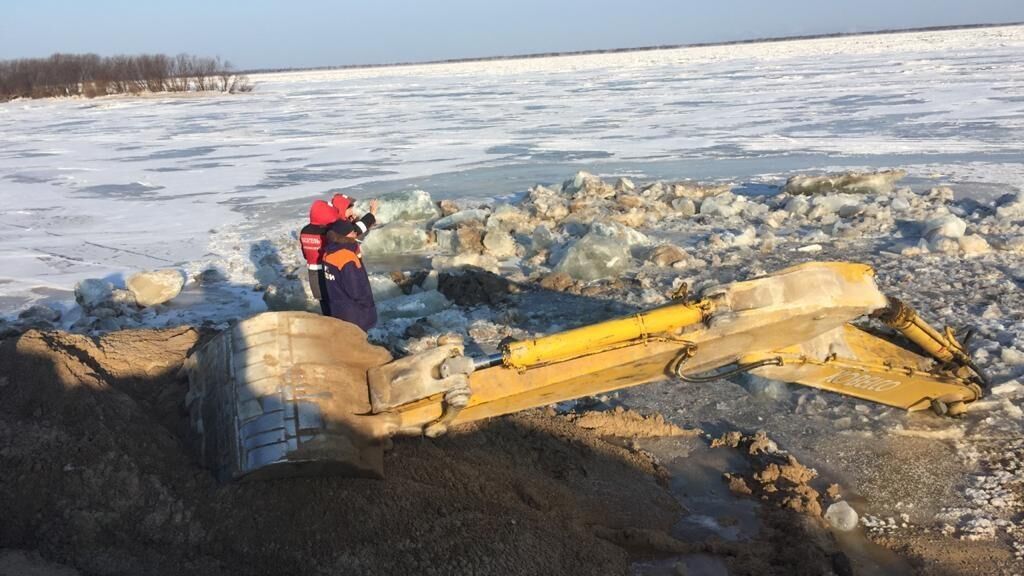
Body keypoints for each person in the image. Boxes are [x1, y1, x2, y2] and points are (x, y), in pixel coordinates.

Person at [322, 219, 377, 331]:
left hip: (337, 308)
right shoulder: (347, 257)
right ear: (344, 235)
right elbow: (356, 288)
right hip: (355, 313)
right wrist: (367, 304)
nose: (355, 234)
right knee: (358, 340)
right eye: (352, 232)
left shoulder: (327, 254)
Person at [299, 200, 340, 315]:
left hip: (313, 272)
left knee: (324, 303)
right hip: (328, 272)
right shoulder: (327, 231)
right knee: (336, 304)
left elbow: (305, 254)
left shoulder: (304, 231)